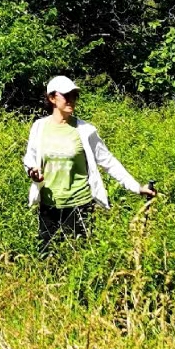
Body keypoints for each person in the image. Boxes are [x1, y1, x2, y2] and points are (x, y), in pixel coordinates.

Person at [23, 75, 156, 253]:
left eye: (74, 95)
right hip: (49, 208)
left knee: (79, 258)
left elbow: (108, 162)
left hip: (79, 206)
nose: (71, 99)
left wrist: (137, 187)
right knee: (47, 258)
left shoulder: (85, 130)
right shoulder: (39, 127)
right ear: (52, 98)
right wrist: (32, 172)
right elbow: (30, 159)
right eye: (66, 95)